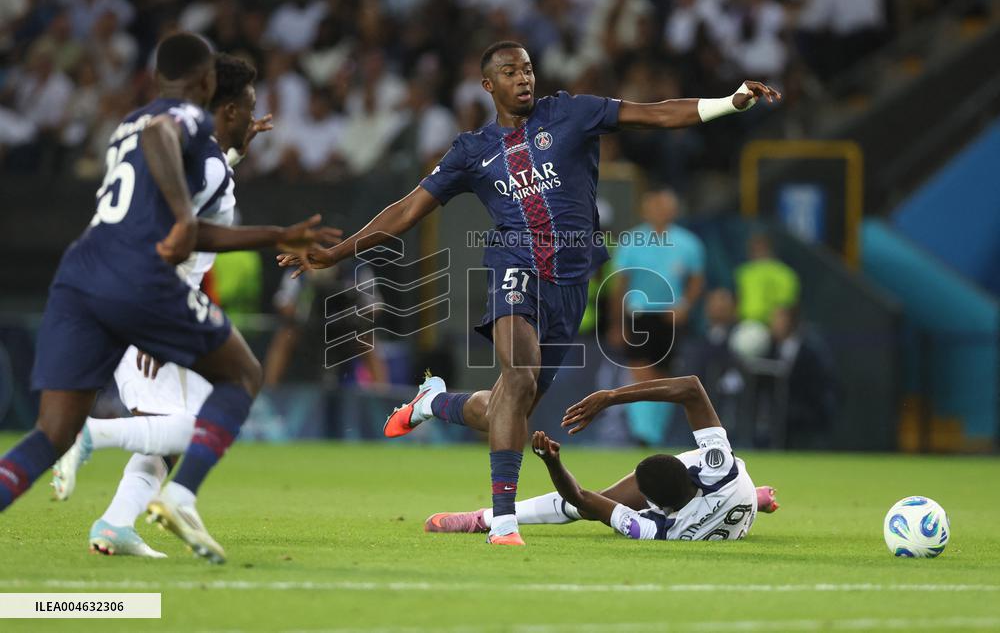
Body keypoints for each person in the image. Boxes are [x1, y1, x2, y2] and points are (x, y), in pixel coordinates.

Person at [278, 40, 780, 545]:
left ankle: (432, 403)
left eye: (528, 69)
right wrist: (338, 252)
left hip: (570, 288)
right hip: (513, 270)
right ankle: (504, 523)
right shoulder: (471, 151)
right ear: (487, 84)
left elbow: (654, 115)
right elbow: (408, 210)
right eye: (510, 71)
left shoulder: (572, 114)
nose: (523, 78)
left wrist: (727, 103)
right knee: (517, 376)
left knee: (506, 407)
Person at [0, 34, 336, 564]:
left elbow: (194, 204)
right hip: (144, 283)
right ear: (207, 88)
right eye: (247, 108)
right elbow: (176, 173)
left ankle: (115, 519)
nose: (254, 117)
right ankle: (161, 485)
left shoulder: (132, 128)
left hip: (83, 270)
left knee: (50, 434)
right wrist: (178, 237)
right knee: (241, 380)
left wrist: (267, 224)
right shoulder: (181, 121)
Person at [425, 375, 779, 541]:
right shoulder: (719, 466)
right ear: (691, 472)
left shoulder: (659, 529)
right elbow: (691, 388)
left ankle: (482, 519)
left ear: (653, 506)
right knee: (742, 494)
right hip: (737, 492)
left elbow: (581, 500)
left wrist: (552, 462)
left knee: (582, 509)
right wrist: (610, 396)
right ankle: (754, 499)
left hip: (730, 499)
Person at [607, 188, 706, 446]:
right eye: (655, 205)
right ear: (646, 209)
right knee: (640, 373)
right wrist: (617, 324)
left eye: (665, 205)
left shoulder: (688, 243)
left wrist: (685, 305)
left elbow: (697, 279)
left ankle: (654, 433)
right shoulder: (632, 240)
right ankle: (643, 433)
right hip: (639, 315)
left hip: (669, 317)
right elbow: (620, 285)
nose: (660, 210)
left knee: (664, 377)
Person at [735, 231, 800, 325]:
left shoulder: (784, 274)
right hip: (745, 324)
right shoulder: (743, 273)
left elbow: (786, 307)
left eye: (761, 248)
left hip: (772, 325)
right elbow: (737, 301)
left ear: (770, 249)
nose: (758, 252)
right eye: (754, 249)